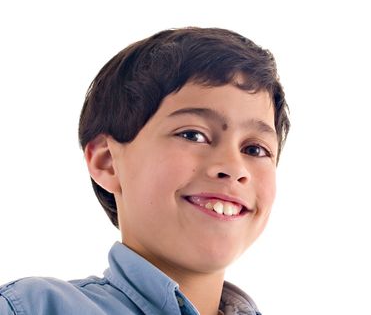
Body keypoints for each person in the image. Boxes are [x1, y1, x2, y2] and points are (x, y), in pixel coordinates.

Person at [0, 27, 290, 315]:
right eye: (192, 135)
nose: (233, 167)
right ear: (107, 162)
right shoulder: (35, 307)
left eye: (255, 150)